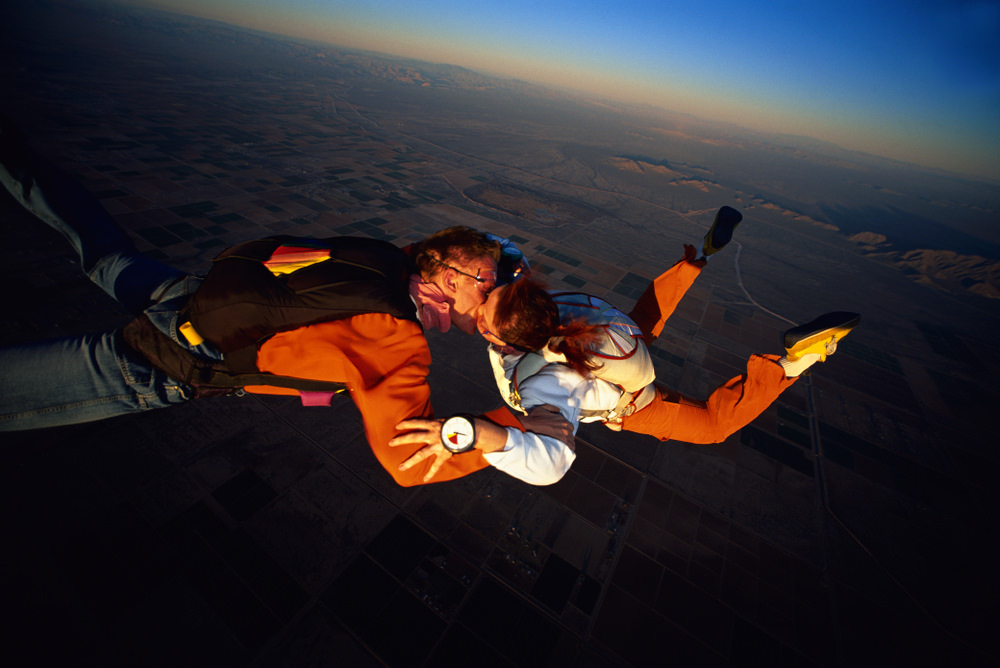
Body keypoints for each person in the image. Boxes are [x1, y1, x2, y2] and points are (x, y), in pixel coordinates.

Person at [0, 116, 571, 487]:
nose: (495, 291)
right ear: (445, 277)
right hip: (165, 360)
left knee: (102, 250)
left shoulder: (381, 257)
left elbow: (285, 269)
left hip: (187, 293)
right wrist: (520, 427)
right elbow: (406, 462)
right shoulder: (396, 338)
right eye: (488, 279)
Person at [391, 207, 860, 485]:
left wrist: (472, 434)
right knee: (636, 329)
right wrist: (425, 260)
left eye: (482, 312)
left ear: (500, 338)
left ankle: (795, 360)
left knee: (715, 425)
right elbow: (499, 245)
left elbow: (551, 461)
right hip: (597, 331)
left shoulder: (551, 381)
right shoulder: (519, 287)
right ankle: (701, 256)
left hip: (633, 404)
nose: (474, 313)